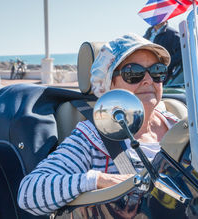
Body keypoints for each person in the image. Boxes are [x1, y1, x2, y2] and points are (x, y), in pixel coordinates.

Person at [17, 33, 180, 216]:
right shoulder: (93, 136)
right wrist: (100, 180)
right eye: (133, 73)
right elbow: (29, 193)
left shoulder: (180, 125)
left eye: (157, 71)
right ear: (108, 84)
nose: (149, 80)